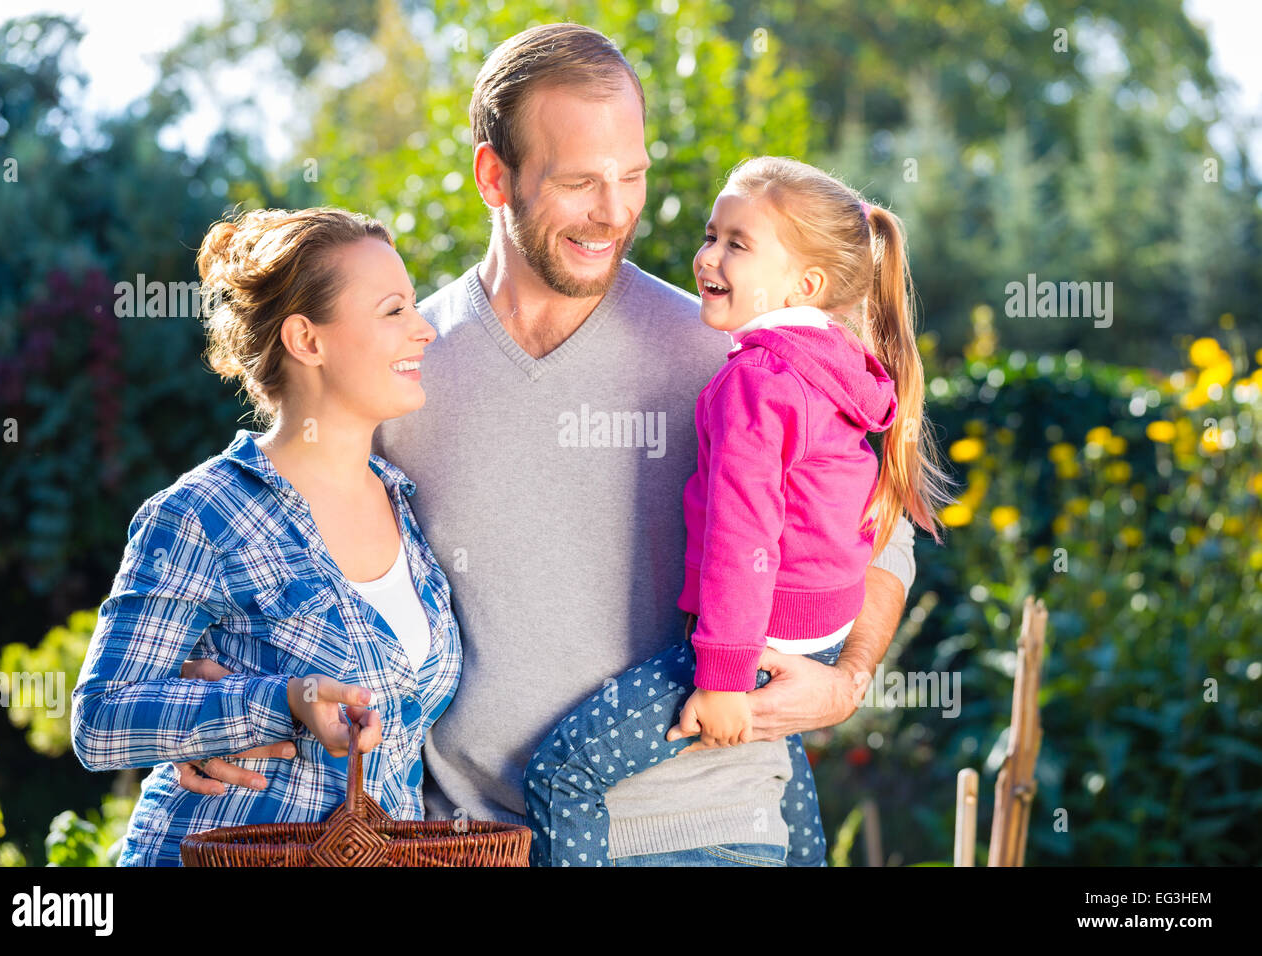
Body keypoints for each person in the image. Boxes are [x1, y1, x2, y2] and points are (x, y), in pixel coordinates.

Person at [173, 22, 919, 867]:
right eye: (578, 182)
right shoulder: (404, 367)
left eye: (631, 176)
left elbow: (883, 525)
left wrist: (847, 679)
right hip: (475, 840)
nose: (613, 212)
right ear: (495, 176)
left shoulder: (734, 351)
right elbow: (276, 533)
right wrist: (212, 699)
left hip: (709, 832)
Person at [525, 156, 954, 866]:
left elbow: (741, 536)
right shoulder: (839, 370)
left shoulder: (757, 380)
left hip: (753, 642)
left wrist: (721, 678)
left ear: (805, 284)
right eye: (710, 234)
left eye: (737, 244)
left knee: (561, 772)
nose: (707, 257)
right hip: (815, 633)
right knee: (786, 779)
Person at [70, 207, 459, 866]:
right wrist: (278, 701)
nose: (423, 330)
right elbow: (101, 720)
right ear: (307, 340)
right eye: (393, 310)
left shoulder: (407, 504)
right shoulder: (203, 513)